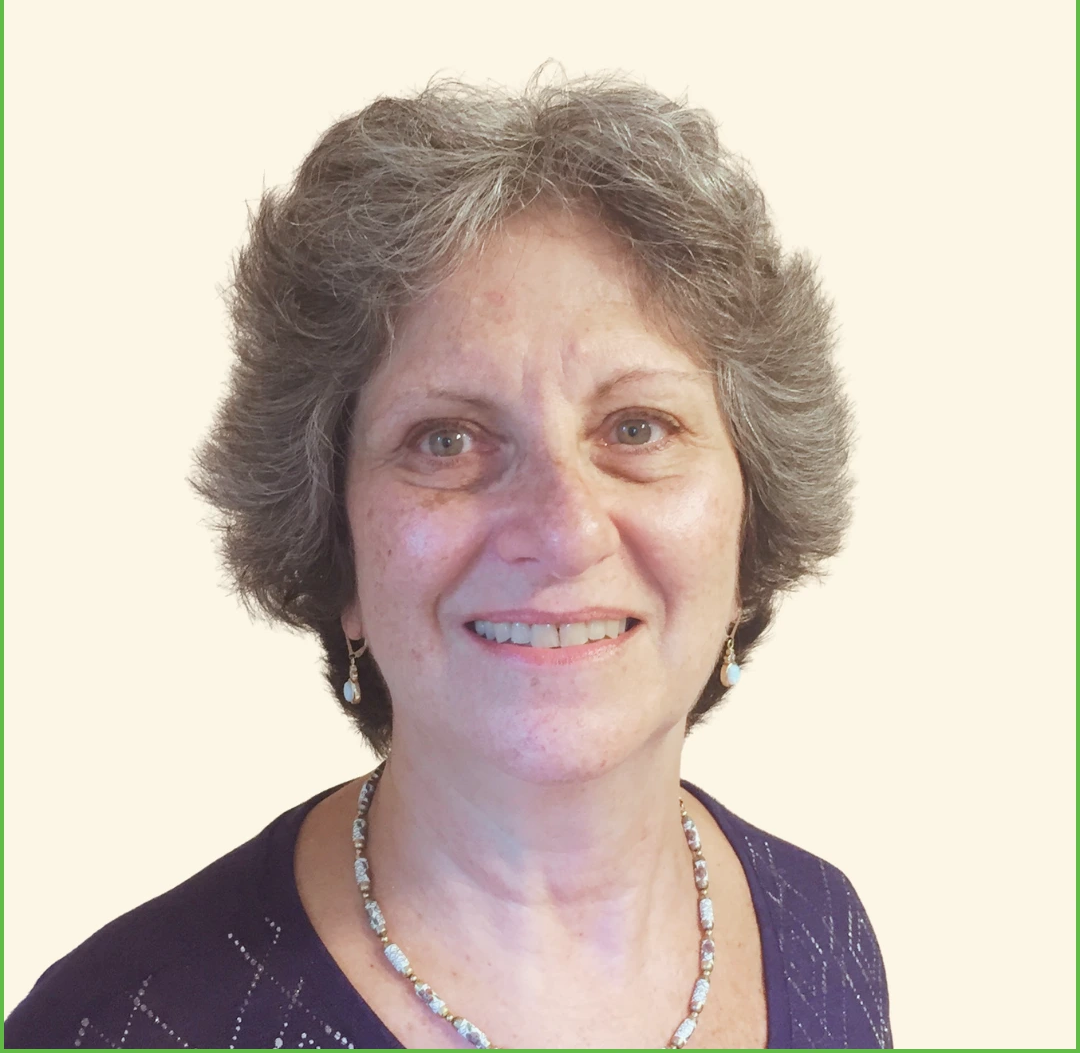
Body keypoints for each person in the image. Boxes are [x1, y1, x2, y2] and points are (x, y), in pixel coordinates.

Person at [5, 73, 892, 1049]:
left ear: (751, 521)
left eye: (637, 427)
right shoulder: (117, 1027)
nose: (565, 529)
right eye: (446, 440)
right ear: (333, 543)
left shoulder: (824, 932)